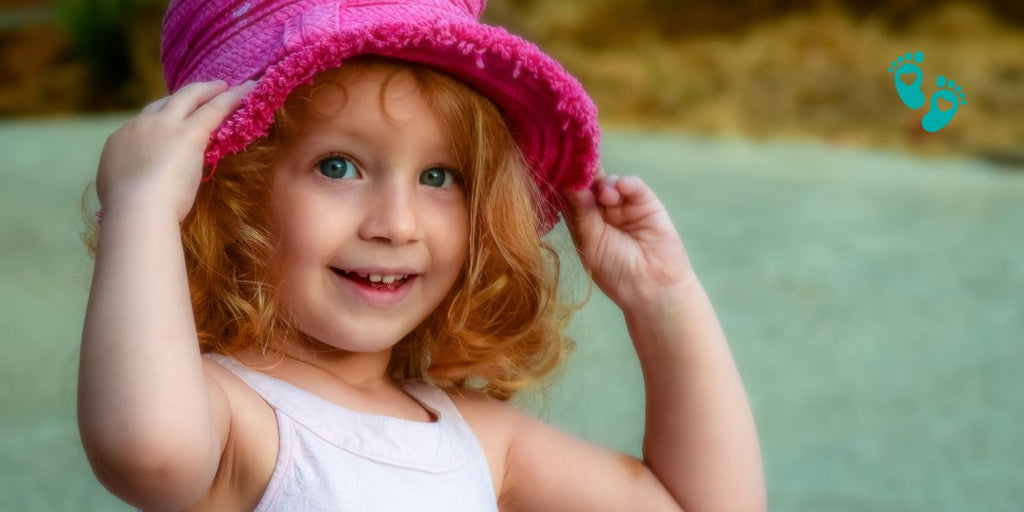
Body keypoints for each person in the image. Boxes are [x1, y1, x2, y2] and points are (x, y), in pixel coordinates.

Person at [77, 1, 766, 510]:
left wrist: (664, 299)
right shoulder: (233, 414)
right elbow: (149, 449)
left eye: (441, 178)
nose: (397, 224)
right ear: (225, 191)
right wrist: (143, 210)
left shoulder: (475, 438)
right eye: (339, 167)